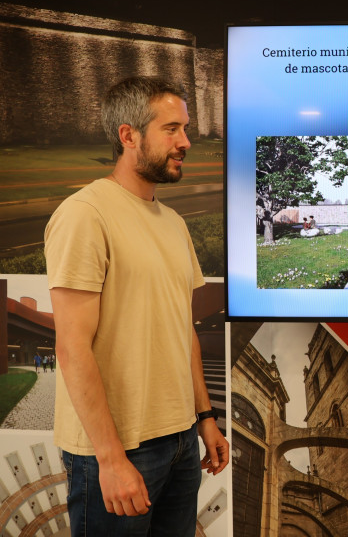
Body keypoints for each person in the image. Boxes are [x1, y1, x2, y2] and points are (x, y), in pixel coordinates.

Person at [44, 76, 229, 535]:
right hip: (119, 450)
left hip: (182, 438)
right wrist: (111, 459)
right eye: (172, 130)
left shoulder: (173, 222)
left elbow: (180, 329)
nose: (186, 142)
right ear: (128, 136)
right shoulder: (85, 215)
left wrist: (204, 418)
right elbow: (71, 347)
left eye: (185, 129)